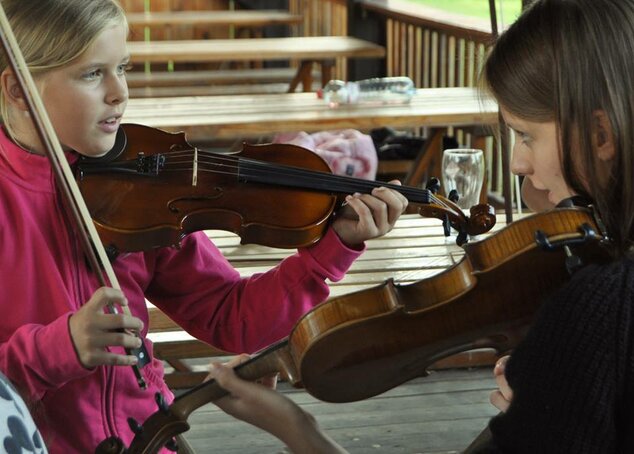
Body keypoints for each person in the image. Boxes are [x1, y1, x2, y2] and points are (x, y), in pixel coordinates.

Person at [205, 1, 634, 452]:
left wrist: (296, 430)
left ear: (601, 135)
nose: (516, 161)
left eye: (526, 135)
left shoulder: (598, 304)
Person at [0, 0, 408, 452]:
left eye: (124, 67)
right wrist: (60, 349)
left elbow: (232, 317)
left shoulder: (138, 178)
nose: (120, 93)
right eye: (93, 74)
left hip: (151, 439)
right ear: (18, 90)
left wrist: (329, 251)